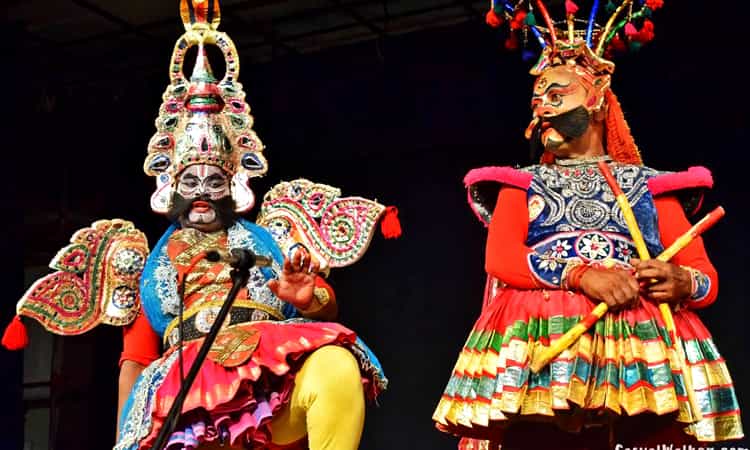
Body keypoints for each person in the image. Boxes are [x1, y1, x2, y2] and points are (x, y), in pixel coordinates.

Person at [5, 1, 397, 449]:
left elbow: (323, 306)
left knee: (336, 365)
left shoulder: (270, 237)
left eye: (214, 181)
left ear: (233, 185)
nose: (203, 192)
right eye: (191, 181)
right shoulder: (148, 266)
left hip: (269, 382)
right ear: (172, 186)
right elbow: (135, 360)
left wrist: (309, 300)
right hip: (188, 399)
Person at [432, 1, 743, 448]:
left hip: (637, 345)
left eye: (557, 96)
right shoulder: (520, 184)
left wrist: (678, 280)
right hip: (544, 345)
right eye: (538, 100)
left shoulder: (651, 187)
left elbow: (705, 278)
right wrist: (583, 275)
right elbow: (500, 259)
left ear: (597, 99)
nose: (542, 110)